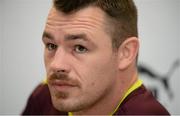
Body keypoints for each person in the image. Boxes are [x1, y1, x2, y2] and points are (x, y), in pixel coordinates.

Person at [22, 0, 170, 115]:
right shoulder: (43, 96)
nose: (56, 65)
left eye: (80, 48)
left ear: (126, 53)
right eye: (51, 46)